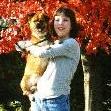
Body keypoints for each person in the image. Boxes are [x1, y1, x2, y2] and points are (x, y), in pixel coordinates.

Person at [16, 6, 80, 111]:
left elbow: (42, 52)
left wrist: (25, 44)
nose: (60, 23)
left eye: (65, 20)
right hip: (38, 99)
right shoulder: (55, 43)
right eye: (57, 20)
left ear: (72, 24)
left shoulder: (71, 44)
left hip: (56, 102)